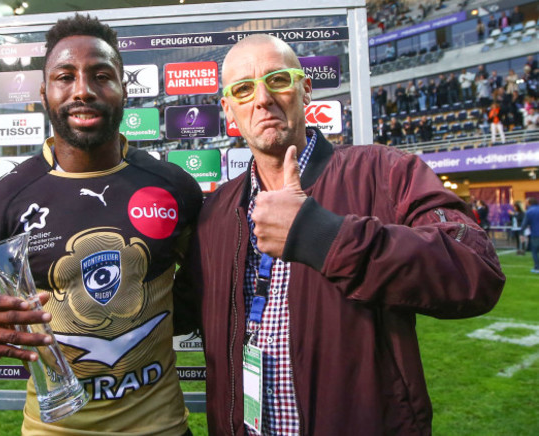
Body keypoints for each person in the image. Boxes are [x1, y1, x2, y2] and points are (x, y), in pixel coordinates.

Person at [182, 34, 505, 435]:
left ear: (306, 89)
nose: (262, 99)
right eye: (244, 89)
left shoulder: (385, 172)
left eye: (278, 79)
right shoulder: (215, 212)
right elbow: (174, 311)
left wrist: (323, 236)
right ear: (229, 108)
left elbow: (476, 270)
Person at [0, 14, 202, 435]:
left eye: (101, 75)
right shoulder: (2, 203)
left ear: (123, 89)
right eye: (65, 76)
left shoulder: (175, 189)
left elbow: (198, 292)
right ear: (44, 93)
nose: (83, 90)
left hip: (163, 428)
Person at [521, 197, 539, 273]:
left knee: (534, 251)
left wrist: (521, 233)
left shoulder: (529, 211)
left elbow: (524, 224)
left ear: (529, 203)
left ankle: (537, 267)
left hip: (535, 234)